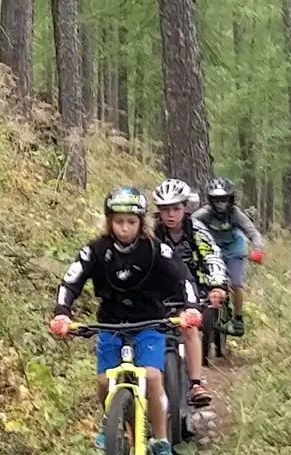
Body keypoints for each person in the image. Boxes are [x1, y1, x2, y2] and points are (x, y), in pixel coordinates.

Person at [49, 185, 200, 455]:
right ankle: (110, 422)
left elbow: (184, 277)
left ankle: (161, 439)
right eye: (118, 221)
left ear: (141, 223)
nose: (124, 228)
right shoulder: (95, 250)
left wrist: (190, 307)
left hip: (149, 324)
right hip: (110, 324)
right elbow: (71, 281)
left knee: (152, 377)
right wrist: (62, 311)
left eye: (131, 222)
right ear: (109, 222)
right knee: (104, 381)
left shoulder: (155, 249)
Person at [151, 178, 226, 405]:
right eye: (165, 209)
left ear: (185, 207)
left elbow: (212, 256)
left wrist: (217, 285)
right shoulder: (151, 232)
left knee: (189, 329)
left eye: (176, 208)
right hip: (158, 291)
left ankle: (195, 383)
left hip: (191, 290)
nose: (170, 215)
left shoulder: (196, 231)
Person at [192, 177, 263, 334]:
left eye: (224, 199)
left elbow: (252, 232)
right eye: (216, 199)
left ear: (230, 199)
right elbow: (188, 225)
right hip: (211, 250)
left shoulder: (236, 214)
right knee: (198, 279)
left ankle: (238, 319)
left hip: (234, 250)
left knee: (236, 283)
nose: (220, 203)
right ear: (210, 200)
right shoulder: (203, 214)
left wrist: (258, 249)